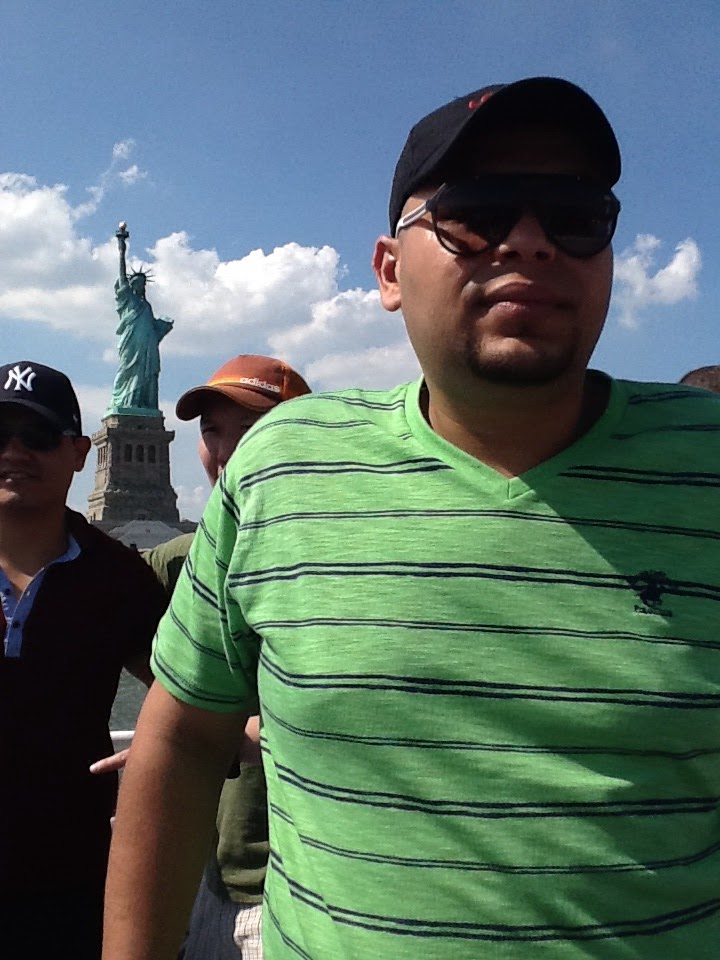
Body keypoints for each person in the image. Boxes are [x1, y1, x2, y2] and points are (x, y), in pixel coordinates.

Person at [103, 78, 720, 960]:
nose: (532, 242)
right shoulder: (283, 467)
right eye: (477, 213)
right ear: (391, 272)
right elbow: (183, 735)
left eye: (575, 216)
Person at [0, 361, 166, 959]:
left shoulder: (117, 578)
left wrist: (186, 745)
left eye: (36, 436)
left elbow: (192, 692)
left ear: (78, 453)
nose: (13, 452)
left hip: (66, 886)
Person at [147, 354, 311, 959]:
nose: (226, 451)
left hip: (290, 884)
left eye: (250, 431)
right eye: (212, 431)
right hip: (204, 876)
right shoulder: (181, 561)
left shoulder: (343, 560)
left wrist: (245, 732)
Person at [108, 222, 173, 414]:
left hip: (148, 345)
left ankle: (145, 404)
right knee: (127, 370)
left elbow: (153, 328)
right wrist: (121, 247)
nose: (139, 284)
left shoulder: (146, 305)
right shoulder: (127, 299)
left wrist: (162, 327)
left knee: (147, 373)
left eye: (142, 282)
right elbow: (121, 273)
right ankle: (124, 401)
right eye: (136, 281)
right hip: (132, 343)